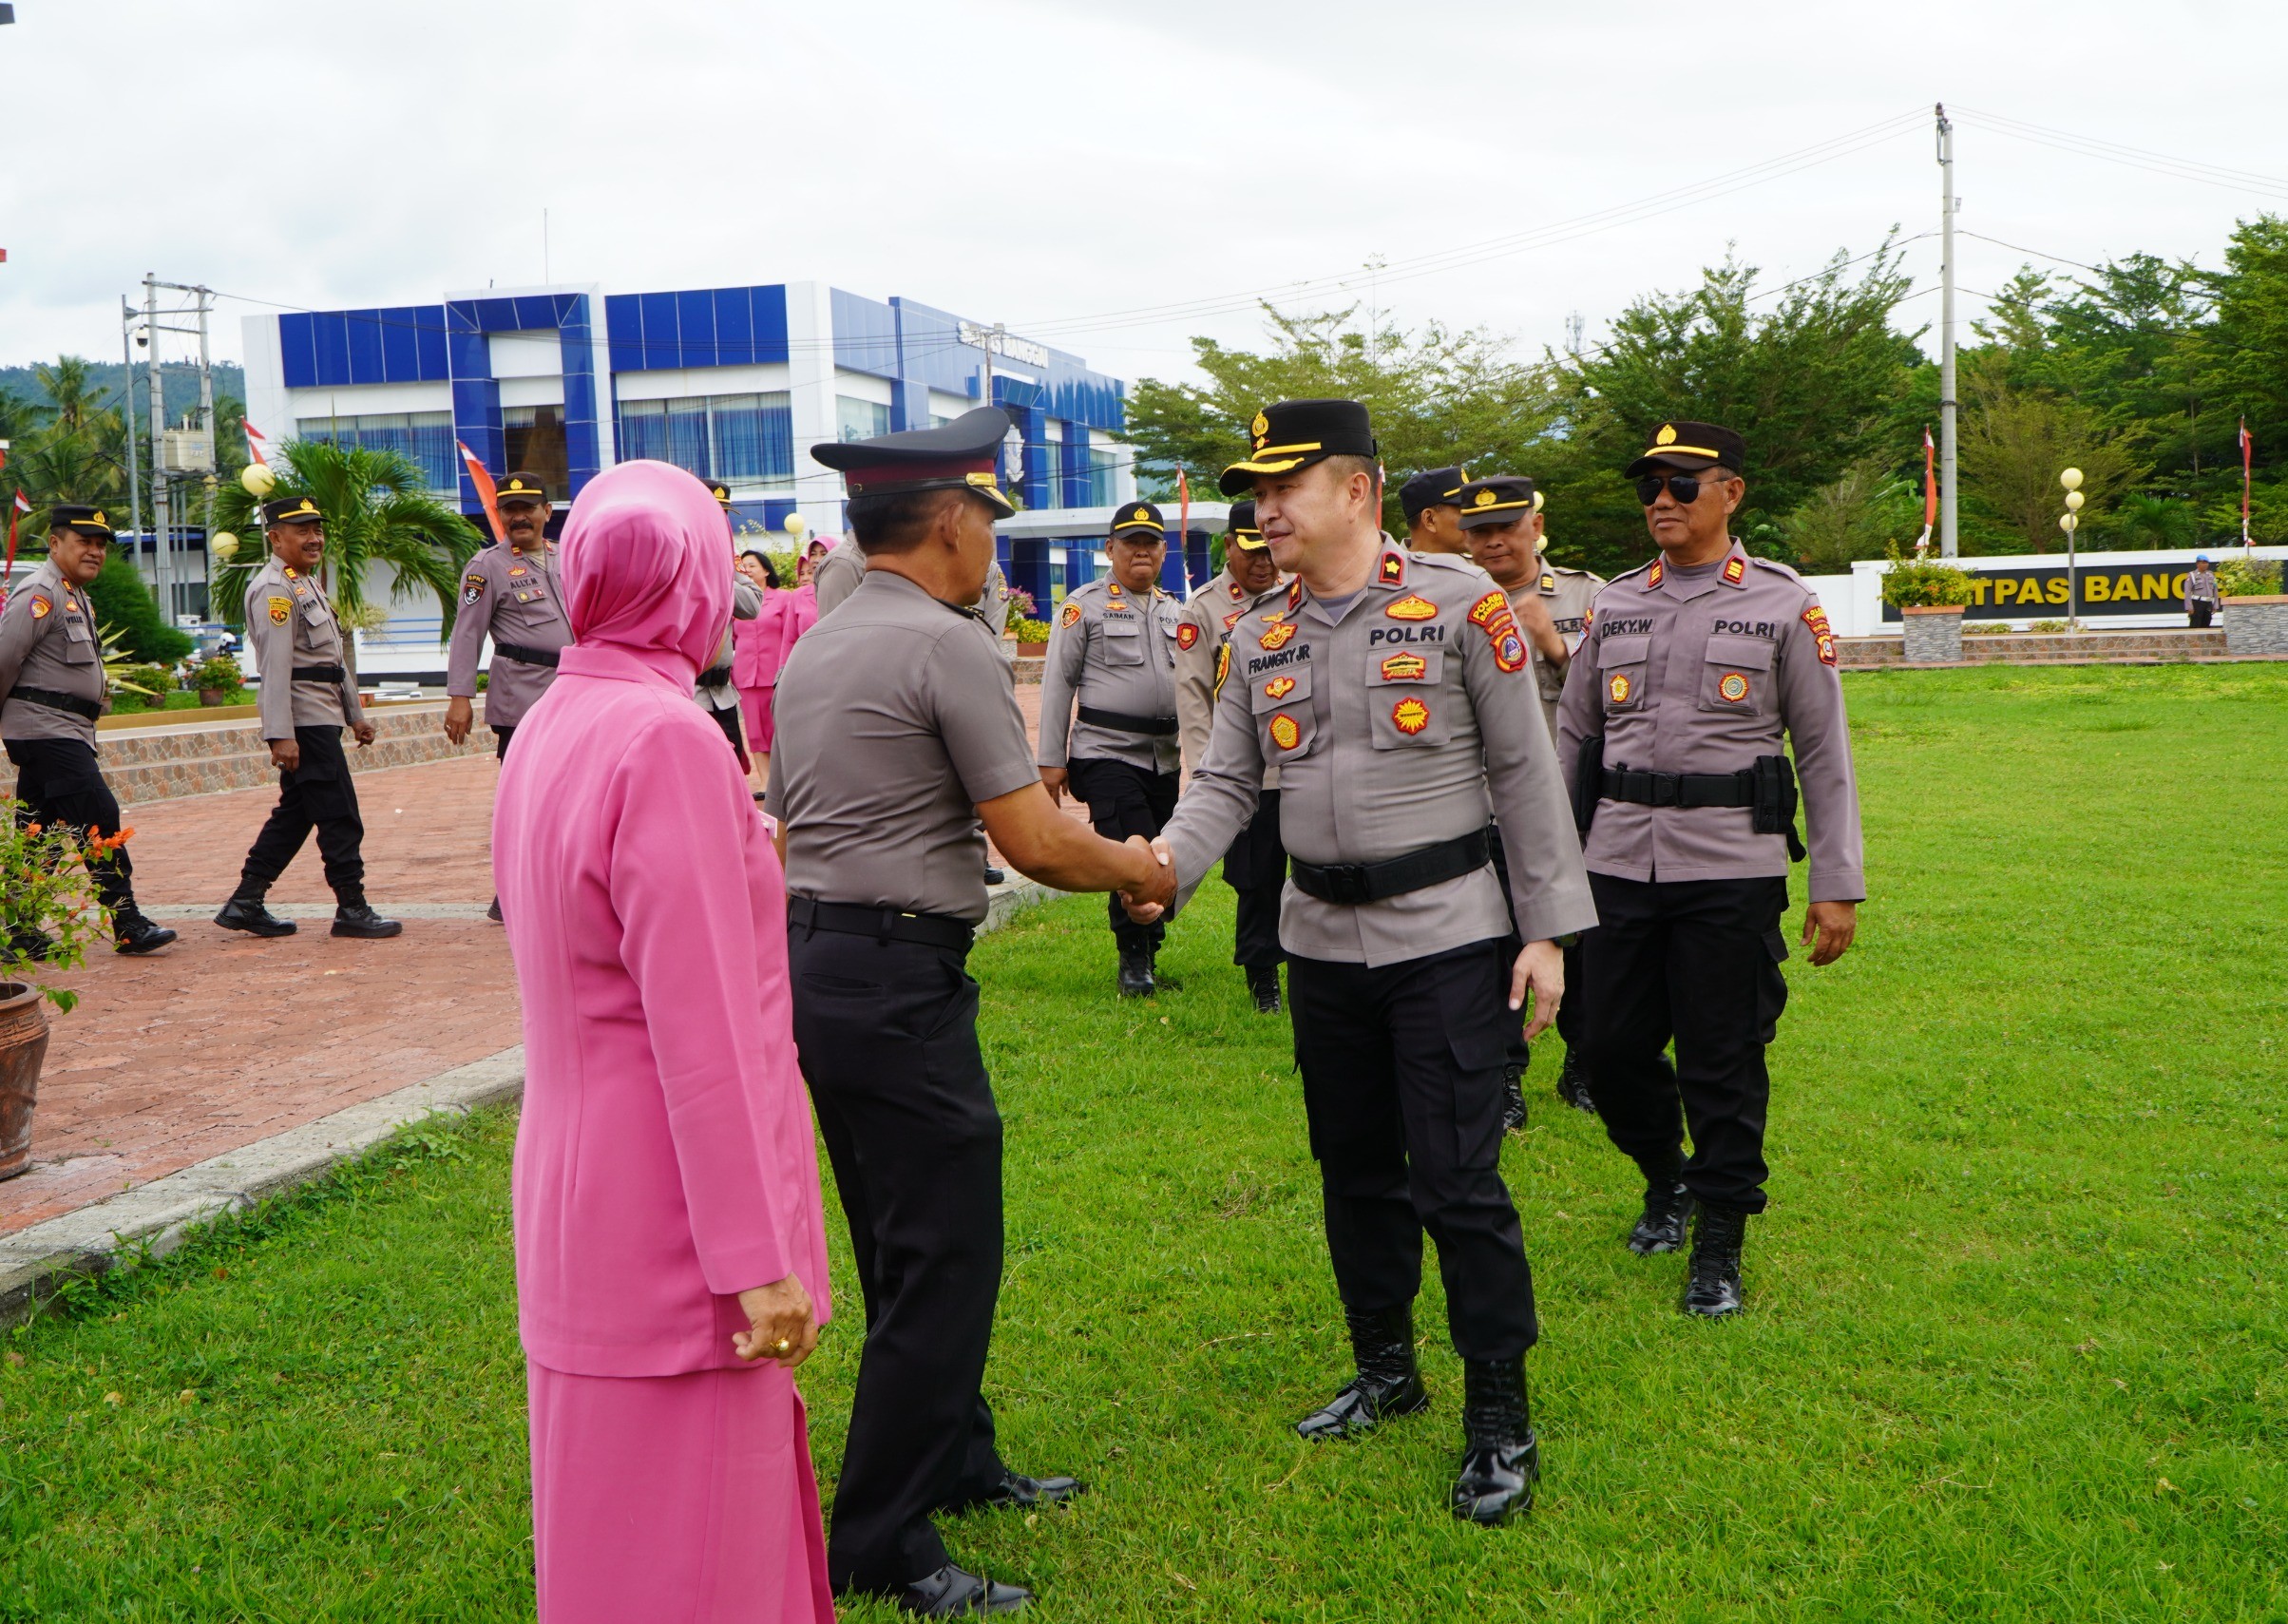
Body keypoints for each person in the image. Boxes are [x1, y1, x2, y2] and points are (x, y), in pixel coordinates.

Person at [1138, 399, 1595, 1527]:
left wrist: (1544, 932)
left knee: (1457, 1180)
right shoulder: (1261, 631)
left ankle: (1498, 1415)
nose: (1263, 509)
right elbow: (1228, 785)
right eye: (1256, 491)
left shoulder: (1457, 606)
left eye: (1284, 488)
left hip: (1444, 935)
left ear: (1356, 491)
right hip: (1318, 944)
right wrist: (1158, 868)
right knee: (1352, 1170)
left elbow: (1524, 772)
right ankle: (1385, 1368)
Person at [769, 405, 1174, 1613]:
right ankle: (882, 1537)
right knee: (945, 1251)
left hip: (821, 967)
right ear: (951, 520)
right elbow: (1038, 842)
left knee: (901, 1245)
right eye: (988, 516)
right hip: (897, 975)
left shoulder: (816, 643)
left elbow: (790, 818)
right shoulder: (945, 644)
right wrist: (1143, 865)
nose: (991, 538)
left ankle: (953, 1452)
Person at [491, 458, 835, 1624]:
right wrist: (756, 1255)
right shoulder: (668, 739)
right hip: (675, 1219)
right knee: (701, 1560)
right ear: (693, 581)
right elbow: (701, 1033)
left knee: (607, 1545)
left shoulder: (550, 719)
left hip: (574, 1193)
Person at [1555, 420, 1863, 1318]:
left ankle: (1720, 1242)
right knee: (1608, 1050)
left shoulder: (1783, 603)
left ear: (1731, 494)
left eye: (1683, 484)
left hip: (1730, 866)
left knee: (1721, 1060)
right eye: (1650, 484)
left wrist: (1836, 880)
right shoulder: (1614, 604)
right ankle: (1668, 1178)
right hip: (1616, 861)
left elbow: (1822, 748)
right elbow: (1572, 739)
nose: (1661, 499)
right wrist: (1549, 866)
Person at [1456, 477, 1606, 1119]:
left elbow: (1614, 700)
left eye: (1506, 528)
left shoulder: (1584, 593)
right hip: (1487, 805)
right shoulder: (1449, 602)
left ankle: (1584, 1063)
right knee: (1497, 950)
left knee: (1587, 945)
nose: (1493, 541)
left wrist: (1553, 645)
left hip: (1575, 804)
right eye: (1479, 531)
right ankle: (1505, 1077)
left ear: (1534, 529)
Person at [215, 496, 401, 940]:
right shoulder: (274, 590)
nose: (315, 538)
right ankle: (351, 908)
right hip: (304, 722)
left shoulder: (305, 584)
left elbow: (331, 661)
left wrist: (355, 715)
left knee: (296, 814)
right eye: (302, 531)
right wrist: (280, 733)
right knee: (339, 813)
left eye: (317, 529)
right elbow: (276, 667)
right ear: (275, 538)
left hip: (323, 715)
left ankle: (245, 901)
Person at [0, 504, 175, 955]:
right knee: (99, 816)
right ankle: (127, 922)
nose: (95, 551)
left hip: (64, 729)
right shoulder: (40, 592)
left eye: (100, 544)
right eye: (84, 543)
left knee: (38, 829)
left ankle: (17, 927)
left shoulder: (74, 593)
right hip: (45, 730)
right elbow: (4, 659)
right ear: (55, 543)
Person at [1038, 501, 1184, 996]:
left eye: (1150, 543)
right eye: (1130, 543)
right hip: (1106, 753)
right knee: (1132, 850)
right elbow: (1057, 684)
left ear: (1164, 550)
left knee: (1161, 855)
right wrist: (1050, 762)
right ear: (1110, 549)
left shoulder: (1174, 609)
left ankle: (1150, 952)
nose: (1140, 551)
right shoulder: (1084, 606)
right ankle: (1133, 962)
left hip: (1164, 756)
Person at [1173, 499, 1287, 1011]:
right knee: (1258, 879)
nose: (1263, 562)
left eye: (1268, 552)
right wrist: (1205, 774)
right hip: (1249, 775)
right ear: (1229, 547)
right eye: (1251, 552)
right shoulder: (1204, 609)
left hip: (1303, 766)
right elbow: (1194, 700)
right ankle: (1262, 974)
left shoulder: (1299, 593)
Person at [443, 471, 570, 924]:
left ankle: (561, 883)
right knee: (524, 797)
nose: (519, 517)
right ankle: (508, 890)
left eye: (528, 508)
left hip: (573, 697)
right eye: (509, 510)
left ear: (546, 513)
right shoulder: (487, 565)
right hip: (522, 697)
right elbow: (467, 634)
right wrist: (460, 696)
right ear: (499, 516)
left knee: (572, 796)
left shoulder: (568, 557)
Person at [733, 549, 816, 786]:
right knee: (755, 731)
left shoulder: (785, 598)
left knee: (779, 728)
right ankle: (766, 783)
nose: (747, 570)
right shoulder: (738, 602)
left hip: (776, 674)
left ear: (766, 570)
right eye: (744, 566)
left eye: (752, 566)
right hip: (746, 676)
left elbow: (791, 634)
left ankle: (784, 782)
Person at [696, 482, 765, 765]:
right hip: (689, 693)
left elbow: (752, 604)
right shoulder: (675, 552)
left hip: (723, 695)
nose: (720, 521)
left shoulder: (726, 559)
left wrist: (712, 577)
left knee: (732, 772)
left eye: (724, 514)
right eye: (713, 513)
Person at [1398, 465, 1470, 556]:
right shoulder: (1385, 568)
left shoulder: (1481, 567)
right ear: (1429, 519)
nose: (1473, 521)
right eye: (1464, 512)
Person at [2186, 555, 2221, 628]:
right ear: (2197, 564)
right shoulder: (2192, 575)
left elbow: (2215, 591)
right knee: (2195, 624)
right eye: (2203, 562)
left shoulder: (2211, 575)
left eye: (2207, 563)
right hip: (2197, 603)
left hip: (2208, 603)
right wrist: (2189, 607)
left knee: (2207, 622)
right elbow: (2187, 591)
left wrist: (2215, 605)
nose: (2205, 564)